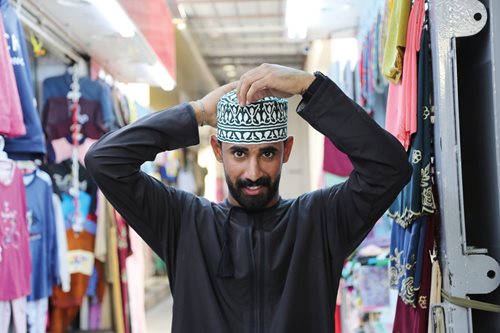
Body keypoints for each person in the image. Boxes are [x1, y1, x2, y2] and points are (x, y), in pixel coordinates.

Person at [85, 64, 411, 332]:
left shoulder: (320, 220)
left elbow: (389, 168)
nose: (253, 173)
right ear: (217, 150)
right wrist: (196, 113)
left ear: (286, 150)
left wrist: (308, 86)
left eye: (267, 153)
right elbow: (104, 161)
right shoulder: (183, 222)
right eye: (239, 153)